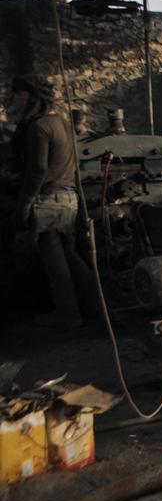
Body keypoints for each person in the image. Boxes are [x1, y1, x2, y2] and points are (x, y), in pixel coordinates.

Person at [7, 75, 92, 327]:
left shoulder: (39, 126)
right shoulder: (63, 122)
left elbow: (38, 170)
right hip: (69, 198)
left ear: (33, 97)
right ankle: (98, 308)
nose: (17, 100)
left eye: (20, 95)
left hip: (49, 201)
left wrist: (24, 203)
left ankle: (68, 315)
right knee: (71, 256)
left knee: (54, 260)